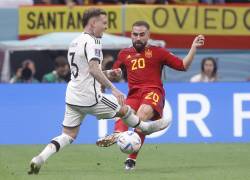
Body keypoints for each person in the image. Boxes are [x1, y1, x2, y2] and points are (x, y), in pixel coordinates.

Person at [28, 8, 169, 175]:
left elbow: (86, 71)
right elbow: (94, 70)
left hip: (73, 96)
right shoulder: (93, 42)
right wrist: (114, 88)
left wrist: (109, 73)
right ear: (93, 23)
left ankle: (39, 158)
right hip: (90, 97)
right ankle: (145, 128)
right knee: (125, 110)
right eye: (103, 23)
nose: (106, 27)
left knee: (68, 135)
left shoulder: (75, 42)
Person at [96, 20, 205, 170]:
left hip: (153, 91)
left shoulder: (158, 52)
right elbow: (116, 73)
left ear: (148, 35)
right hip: (133, 94)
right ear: (131, 35)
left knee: (139, 117)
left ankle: (123, 140)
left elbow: (183, 66)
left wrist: (193, 47)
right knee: (126, 114)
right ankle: (128, 147)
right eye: (135, 34)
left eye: (142, 35)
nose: (138, 38)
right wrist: (107, 74)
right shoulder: (124, 54)